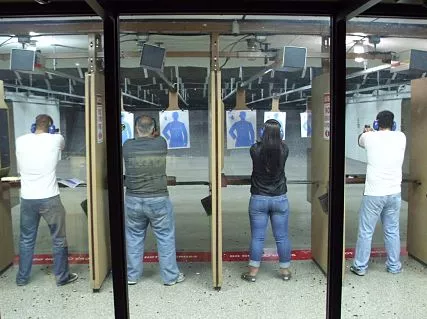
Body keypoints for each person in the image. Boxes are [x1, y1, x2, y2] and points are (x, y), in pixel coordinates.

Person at [15, 114, 78, 286]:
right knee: (58, 238)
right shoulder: (56, 138)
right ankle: (62, 278)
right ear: (51, 128)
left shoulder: (20, 140)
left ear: (33, 126)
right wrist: (53, 134)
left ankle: (22, 278)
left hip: (27, 199)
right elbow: (62, 147)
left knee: (26, 239)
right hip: (50, 197)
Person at [123, 115, 184, 286]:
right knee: (165, 237)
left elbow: (135, 138)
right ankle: (170, 277)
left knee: (134, 238)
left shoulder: (127, 146)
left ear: (136, 129)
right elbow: (156, 136)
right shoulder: (161, 143)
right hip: (158, 198)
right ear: (154, 130)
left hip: (133, 199)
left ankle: (132, 276)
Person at [350, 110, 406, 276]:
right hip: (394, 192)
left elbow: (360, 140)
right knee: (392, 230)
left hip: (374, 193)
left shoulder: (369, 137)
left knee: (366, 231)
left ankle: (360, 266)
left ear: (376, 124)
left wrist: (367, 132)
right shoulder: (401, 137)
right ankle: (394, 266)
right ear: (393, 124)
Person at [241, 119, 291, 282]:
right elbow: (279, 144)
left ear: (263, 133)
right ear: (280, 134)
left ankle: (253, 273)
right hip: (280, 199)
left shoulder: (254, 149)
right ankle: (285, 272)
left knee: (257, 237)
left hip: (259, 199)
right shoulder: (284, 149)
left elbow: (261, 145)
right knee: (282, 237)